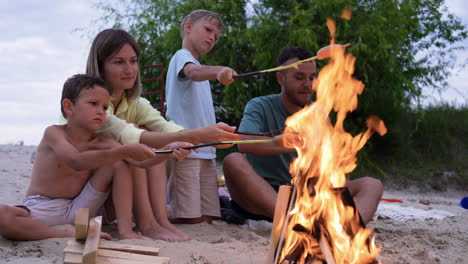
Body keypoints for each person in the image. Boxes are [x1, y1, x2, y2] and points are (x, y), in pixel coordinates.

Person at [73, 28, 240, 241]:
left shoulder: (136, 103)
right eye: (119, 62)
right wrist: (202, 136)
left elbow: (167, 127)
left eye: (133, 61)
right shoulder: (92, 105)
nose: (129, 69)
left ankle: (159, 220)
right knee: (137, 142)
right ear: (101, 66)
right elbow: (132, 136)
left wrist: (204, 136)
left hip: (111, 200)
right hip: (84, 199)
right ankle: (147, 223)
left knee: (155, 141)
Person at [0, 74, 189, 241]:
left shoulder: (103, 142)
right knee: (3, 217)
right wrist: (124, 150)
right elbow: (76, 161)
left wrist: (168, 150)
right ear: (69, 107)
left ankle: (125, 231)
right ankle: (64, 233)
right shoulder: (54, 134)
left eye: (105, 107)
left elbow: (140, 161)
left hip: (82, 208)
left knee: (120, 164)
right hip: (43, 206)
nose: (101, 111)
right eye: (93, 104)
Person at [222, 47, 383, 225]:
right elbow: (244, 143)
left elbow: (327, 168)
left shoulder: (319, 114)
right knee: (232, 160)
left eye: (312, 77)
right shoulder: (259, 105)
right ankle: (289, 221)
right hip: (261, 195)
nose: (308, 84)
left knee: (372, 184)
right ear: (281, 78)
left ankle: (348, 230)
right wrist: (293, 142)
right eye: (299, 78)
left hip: (301, 196)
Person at [165, 9, 237, 225]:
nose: (212, 38)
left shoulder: (201, 72)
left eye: (216, 36)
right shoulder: (183, 58)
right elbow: (193, 73)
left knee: (208, 217)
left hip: (207, 152)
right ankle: (153, 211)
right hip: (188, 150)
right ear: (188, 27)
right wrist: (219, 71)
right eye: (208, 30)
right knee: (188, 217)